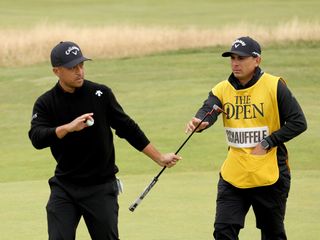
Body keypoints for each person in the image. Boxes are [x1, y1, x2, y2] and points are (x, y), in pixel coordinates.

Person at [28, 41, 181, 240]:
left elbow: (128, 128)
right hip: (65, 187)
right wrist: (67, 128)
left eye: (81, 65)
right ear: (56, 71)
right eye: (72, 67)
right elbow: (37, 138)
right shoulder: (46, 102)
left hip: (100, 187)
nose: (79, 71)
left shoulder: (100, 94)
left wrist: (159, 157)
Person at [185, 36, 307, 240]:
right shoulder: (222, 89)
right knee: (223, 232)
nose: (235, 63)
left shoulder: (274, 85)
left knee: (273, 235)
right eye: (232, 58)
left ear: (257, 60)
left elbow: (298, 122)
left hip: (270, 175)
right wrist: (200, 121)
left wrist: (268, 142)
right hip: (234, 174)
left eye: (241, 58)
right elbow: (209, 109)